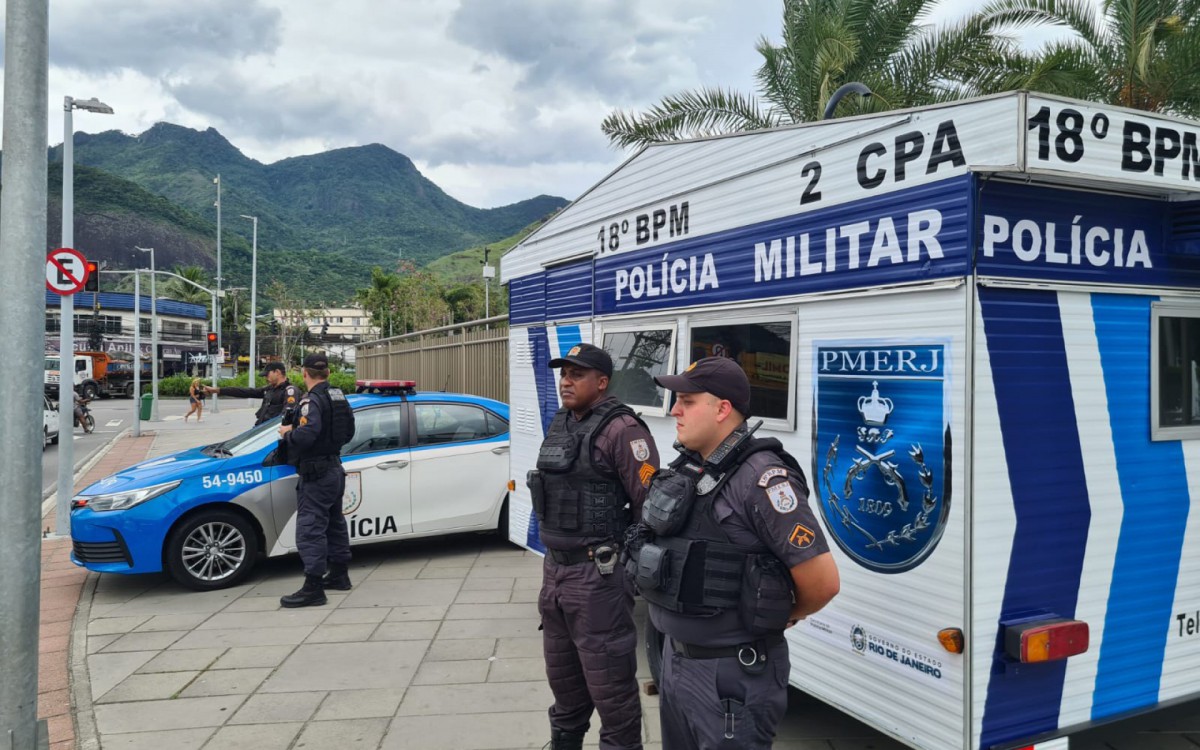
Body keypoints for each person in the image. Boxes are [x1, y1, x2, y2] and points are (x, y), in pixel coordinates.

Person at [634, 357, 840, 750]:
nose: (674, 410)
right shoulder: (693, 468)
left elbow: (824, 582)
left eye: (687, 401)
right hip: (677, 662)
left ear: (722, 408)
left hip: (731, 672)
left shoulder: (761, 479)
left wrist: (782, 613)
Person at [527, 343, 659, 750]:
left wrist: (630, 568)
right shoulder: (561, 422)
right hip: (556, 575)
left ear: (601, 383)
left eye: (576, 374)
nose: (566, 381)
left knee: (612, 693)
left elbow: (651, 505)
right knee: (564, 685)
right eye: (563, 373)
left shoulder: (623, 429)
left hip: (597, 576)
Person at [277, 354, 353, 607]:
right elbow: (350, 431)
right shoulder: (338, 396)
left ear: (304, 374)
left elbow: (307, 435)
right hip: (335, 468)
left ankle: (313, 588)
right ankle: (340, 575)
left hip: (316, 473)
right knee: (334, 523)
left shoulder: (311, 400)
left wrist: (288, 434)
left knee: (310, 528)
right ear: (329, 373)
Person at [205, 362, 304, 426]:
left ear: (277, 372)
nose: (266, 378)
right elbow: (245, 392)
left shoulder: (290, 391)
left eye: (267, 374)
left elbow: (286, 418)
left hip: (271, 436)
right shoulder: (270, 389)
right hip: (259, 430)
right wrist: (218, 390)